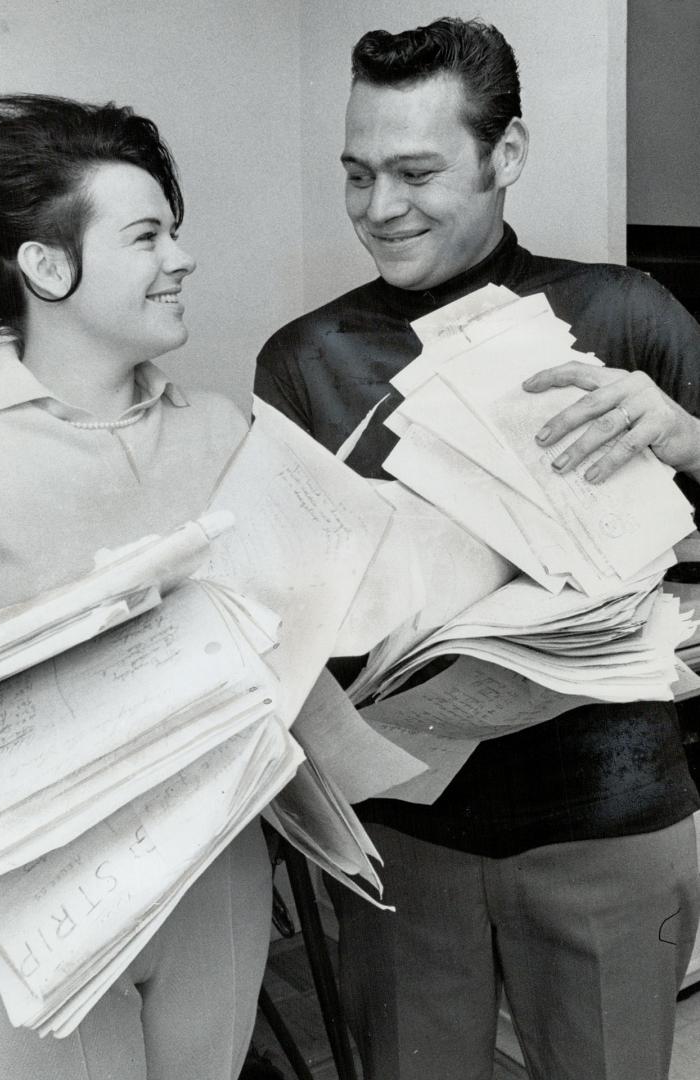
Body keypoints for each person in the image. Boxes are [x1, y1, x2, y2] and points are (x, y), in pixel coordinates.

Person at [255, 18, 700, 1080]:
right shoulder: (305, 361)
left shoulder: (623, 315)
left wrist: (688, 438)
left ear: (507, 156)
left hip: (614, 826)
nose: (378, 209)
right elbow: (279, 612)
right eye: (357, 174)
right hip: (404, 841)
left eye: (415, 171)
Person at [0, 93, 272, 1080]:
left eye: (174, 232)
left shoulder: (223, 427)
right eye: (147, 236)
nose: (181, 258)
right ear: (46, 267)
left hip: (212, 858)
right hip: (19, 895)